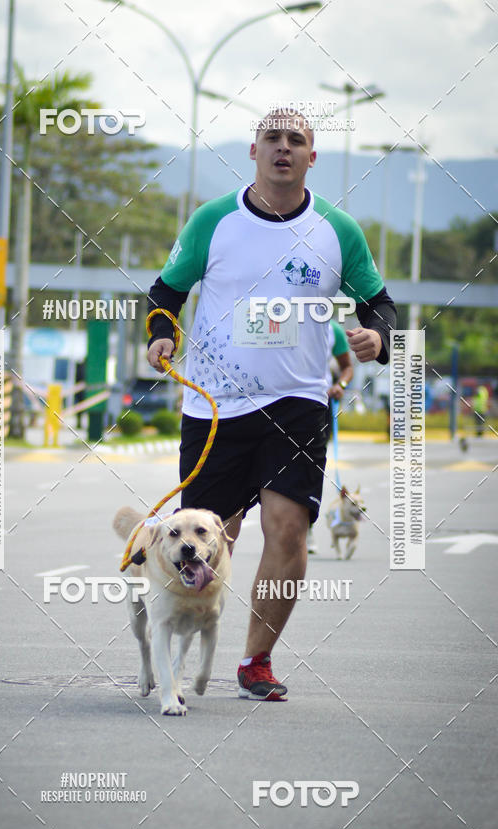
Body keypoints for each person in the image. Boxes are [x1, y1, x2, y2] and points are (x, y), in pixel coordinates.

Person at [146, 106, 396, 701]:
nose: (283, 148)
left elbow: (379, 304)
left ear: (313, 156)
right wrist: (160, 332)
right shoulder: (215, 220)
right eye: (272, 139)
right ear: (254, 152)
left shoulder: (339, 231)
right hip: (216, 409)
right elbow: (166, 291)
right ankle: (179, 650)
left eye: (297, 141)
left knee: (287, 530)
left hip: (297, 404)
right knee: (209, 537)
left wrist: (378, 338)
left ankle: (256, 660)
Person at [306, 319, 354, 554]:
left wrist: (340, 385)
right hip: (279, 404)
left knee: (310, 468)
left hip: (318, 404)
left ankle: (306, 528)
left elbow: (347, 367)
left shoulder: (333, 329)